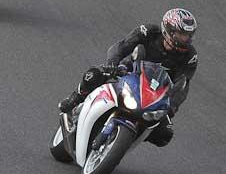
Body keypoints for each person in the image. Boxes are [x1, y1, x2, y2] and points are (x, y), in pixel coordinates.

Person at [59, 8, 198, 147]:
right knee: (94, 75)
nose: (186, 39)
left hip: (154, 94)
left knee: (164, 135)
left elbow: (183, 84)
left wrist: (171, 107)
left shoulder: (190, 56)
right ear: (169, 30)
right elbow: (120, 47)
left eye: (188, 35)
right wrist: (112, 64)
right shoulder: (149, 32)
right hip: (127, 73)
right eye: (182, 34)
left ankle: (127, 139)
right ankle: (76, 98)